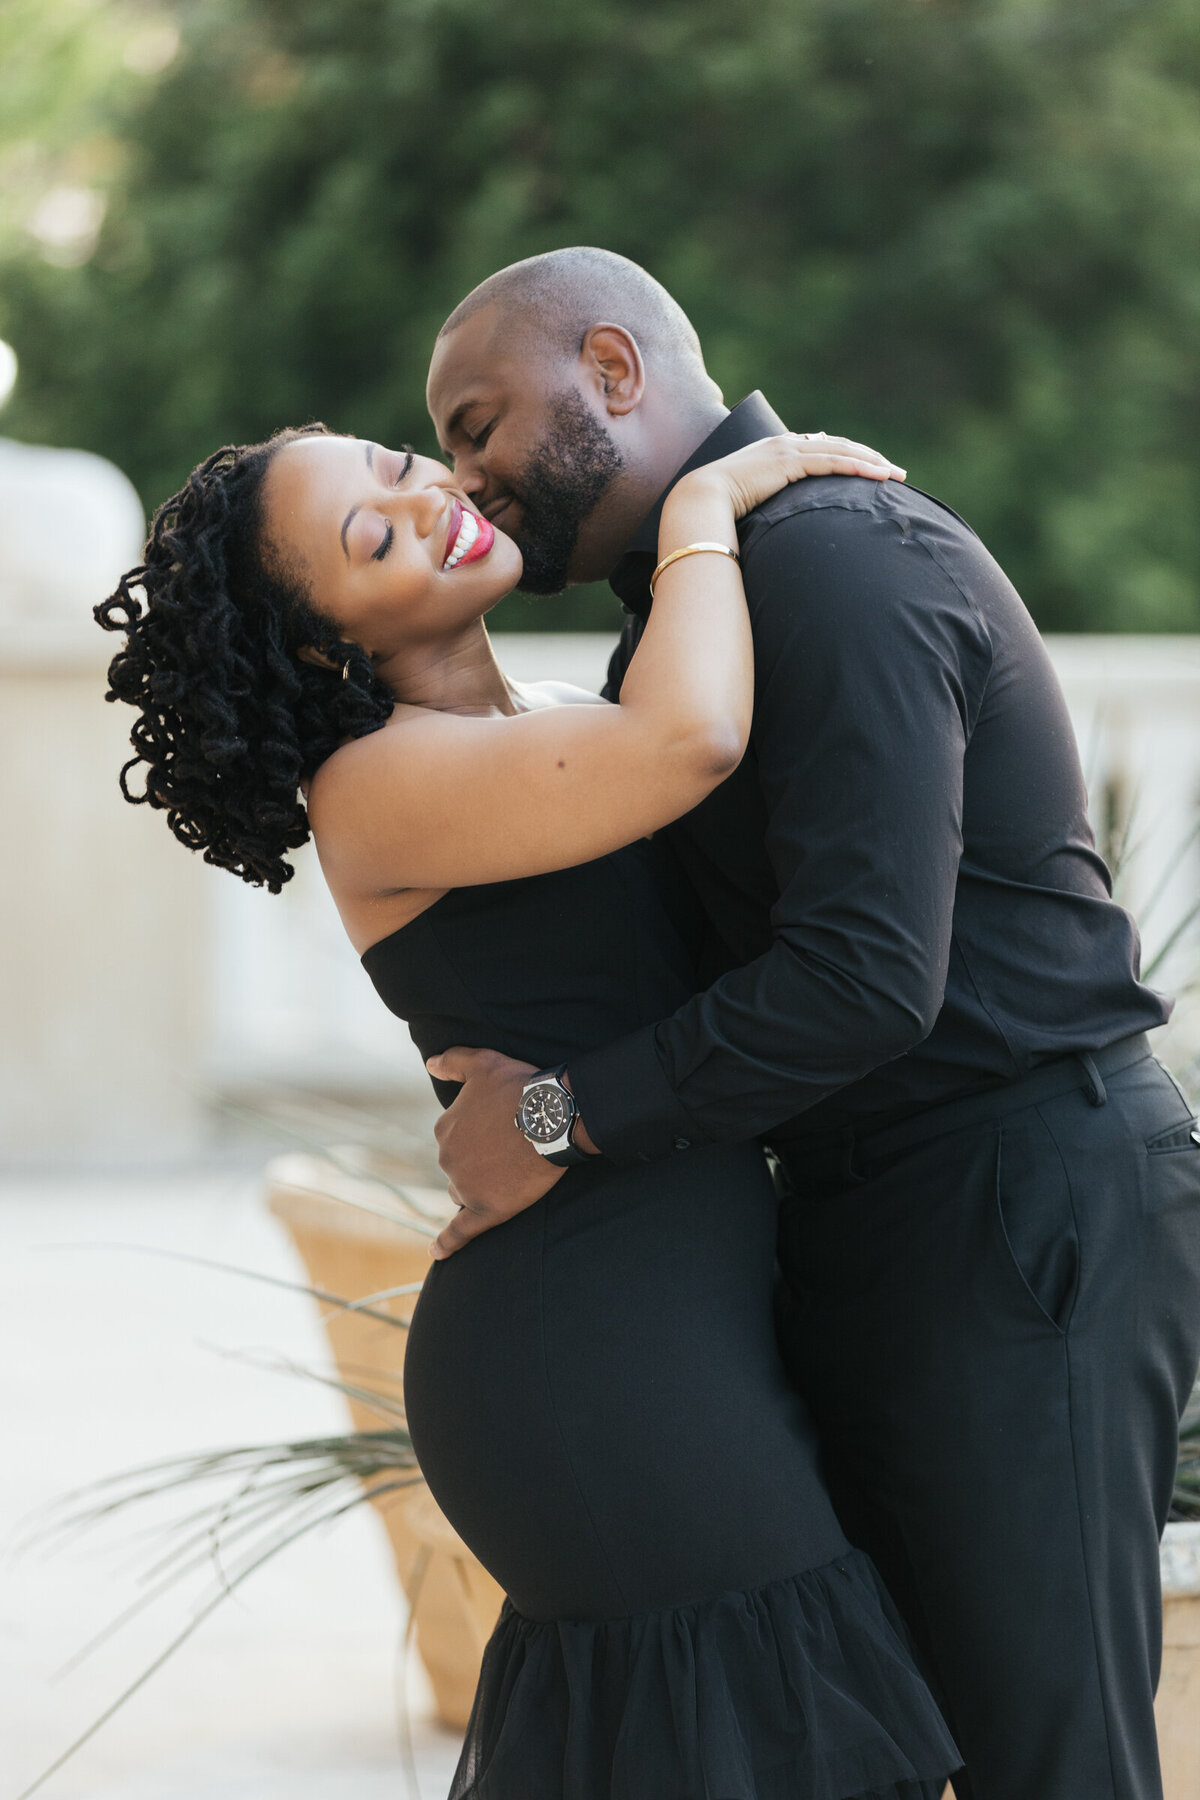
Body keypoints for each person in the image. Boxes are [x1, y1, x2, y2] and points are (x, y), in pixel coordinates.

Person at [423, 247, 1200, 1800]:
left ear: (616, 372)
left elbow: (862, 976)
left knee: (1049, 1757)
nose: (469, 476)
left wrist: (554, 1117)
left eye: (478, 422)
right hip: (894, 1216)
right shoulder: (705, 601)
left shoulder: (830, 560)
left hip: (1010, 1208)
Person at [95, 423, 960, 1800]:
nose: (428, 500)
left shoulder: (559, 714)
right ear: (326, 650)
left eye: (396, 465)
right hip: (582, 1358)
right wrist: (711, 495)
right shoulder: (375, 785)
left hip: (687, 1319)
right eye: (371, 538)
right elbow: (694, 739)